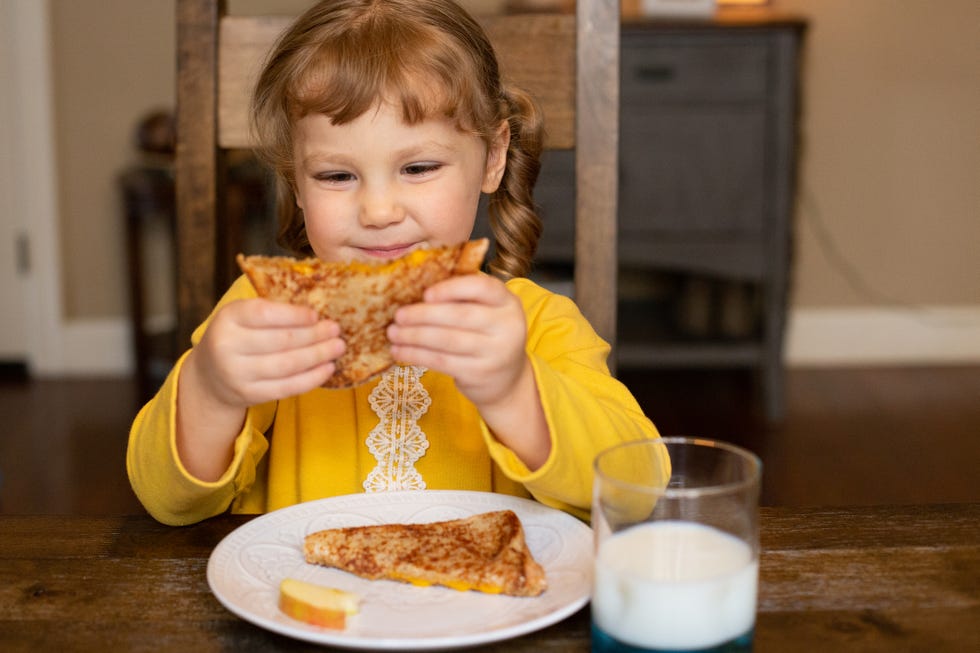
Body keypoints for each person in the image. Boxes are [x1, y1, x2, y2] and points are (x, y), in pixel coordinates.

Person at [127, 0, 659, 526]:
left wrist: (515, 388)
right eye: (337, 176)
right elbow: (167, 501)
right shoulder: (265, 316)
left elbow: (638, 488)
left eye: (419, 167)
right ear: (296, 180)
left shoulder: (538, 325)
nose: (378, 211)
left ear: (493, 158)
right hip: (316, 606)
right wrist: (213, 390)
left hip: (482, 609)